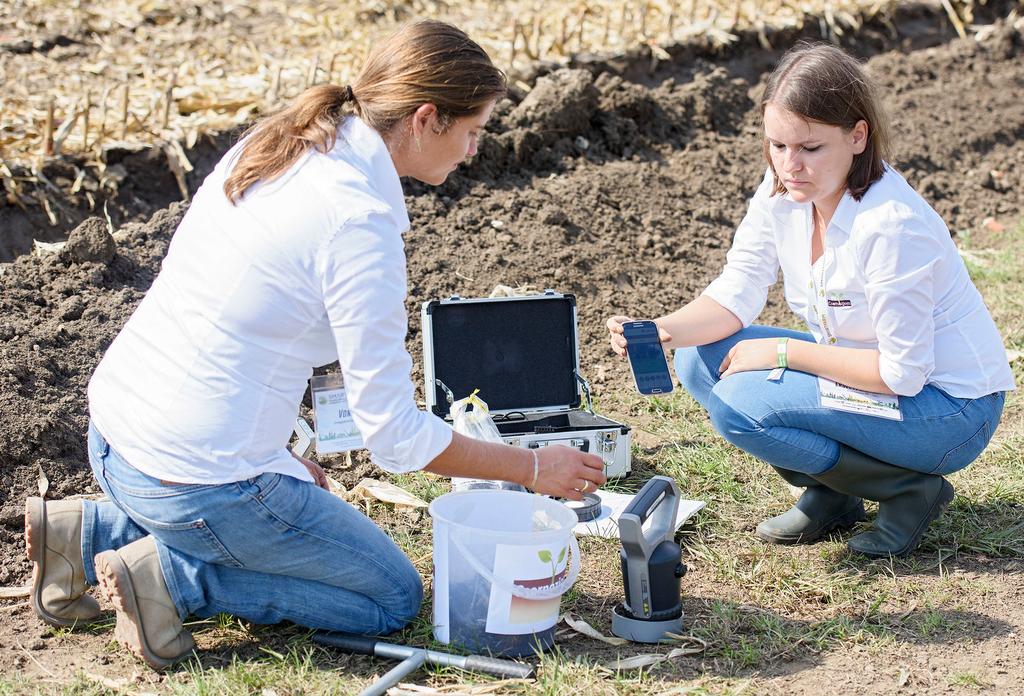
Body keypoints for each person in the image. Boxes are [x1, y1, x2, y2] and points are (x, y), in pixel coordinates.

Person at [25, 20, 606, 671]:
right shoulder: (358, 224)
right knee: (389, 597)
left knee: (296, 514)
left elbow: (247, 326)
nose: (473, 150)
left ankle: (85, 532)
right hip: (197, 482)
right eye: (471, 131)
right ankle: (172, 578)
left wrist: (282, 453)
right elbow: (395, 437)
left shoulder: (284, 143)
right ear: (425, 119)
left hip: (117, 438)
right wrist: (533, 469)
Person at [607, 42, 1013, 559]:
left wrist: (783, 353)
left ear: (857, 136)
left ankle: (909, 491)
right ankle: (834, 495)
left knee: (741, 405)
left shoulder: (891, 226)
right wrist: (662, 329)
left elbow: (903, 374)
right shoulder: (783, 192)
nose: (789, 165)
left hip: (948, 410)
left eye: (810, 148)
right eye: (776, 145)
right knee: (698, 359)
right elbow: (738, 291)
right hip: (886, 383)